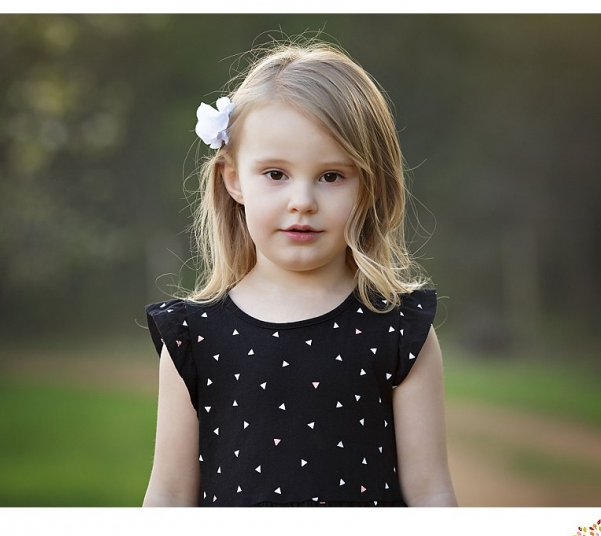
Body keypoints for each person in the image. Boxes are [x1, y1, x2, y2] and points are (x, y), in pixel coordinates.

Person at [143, 40, 457, 507]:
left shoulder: (398, 330)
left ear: (368, 186)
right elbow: (168, 495)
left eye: (331, 176)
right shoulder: (193, 336)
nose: (302, 201)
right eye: (275, 173)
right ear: (233, 180)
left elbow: (431, 492)